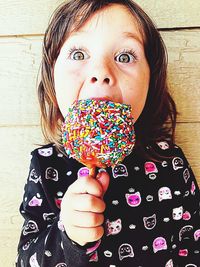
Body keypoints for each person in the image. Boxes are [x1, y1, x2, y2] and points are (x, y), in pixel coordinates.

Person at [16, 0, 200, 266]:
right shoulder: (46, 167)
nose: (101, 72)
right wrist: (67, 235)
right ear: (51, 76)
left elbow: (192, 246)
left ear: (152, 79)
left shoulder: (170, 163)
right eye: (79, 54)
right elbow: (25, 261)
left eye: (125, 57)